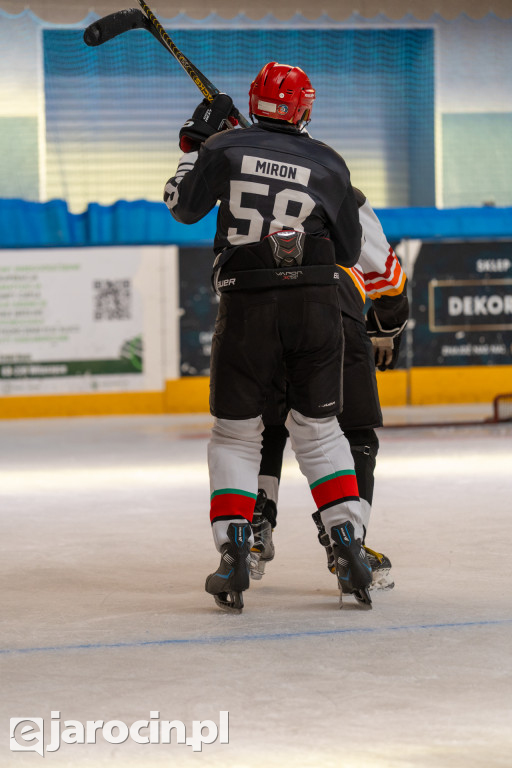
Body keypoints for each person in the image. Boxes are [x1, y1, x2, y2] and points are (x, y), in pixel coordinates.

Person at [164, 61, 373, 613]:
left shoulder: (223, 148)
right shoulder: (330, 162)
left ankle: (235, 549)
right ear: (304, 109)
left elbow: (182, 206)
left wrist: (195, 147)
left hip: (247, 305)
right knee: (320, 431)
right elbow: (349, 252)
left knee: (236, 435)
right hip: (316, 309)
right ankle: (348, 544)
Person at [251, 191, 409, 590]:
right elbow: (388, 278)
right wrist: (387, 326)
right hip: (332, 309)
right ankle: (349, 544)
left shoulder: (245, 175)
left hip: (255, 313)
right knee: (357, 433)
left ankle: (254, 527)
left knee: (267, 427)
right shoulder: (338, 187)